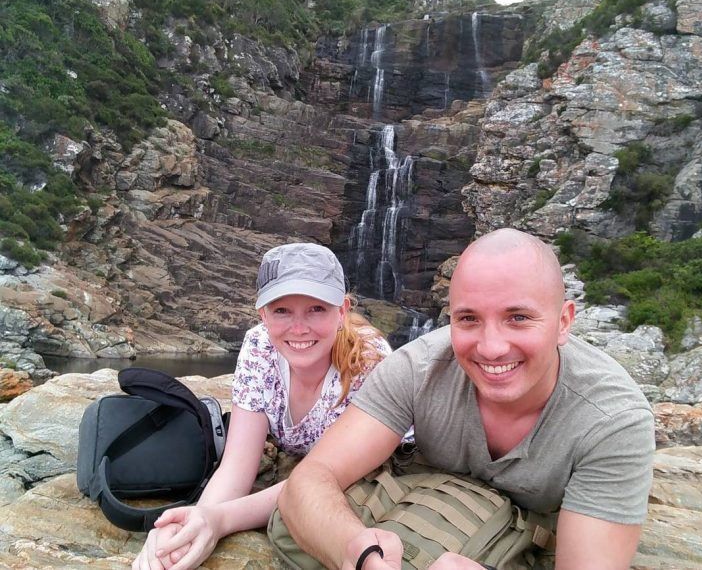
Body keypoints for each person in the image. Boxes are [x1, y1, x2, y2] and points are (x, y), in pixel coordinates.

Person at [278, 228, 656, 570]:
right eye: (469, 319)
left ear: (563, 323)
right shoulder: (417, 368)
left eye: (519, 317)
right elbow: (311, 478)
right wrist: (357, 553)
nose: (491, 348)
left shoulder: (614, 420)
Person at [132, 243, 391, 570]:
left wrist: (219, 520)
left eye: (316, 309)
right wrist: (195, 521)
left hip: (363, 473)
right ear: (262, 314)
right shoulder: (259, 346)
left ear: (342, 311)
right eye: (282, 310)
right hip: (309, 475)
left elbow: (323, 479)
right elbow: (238, 465)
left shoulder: (368, 359)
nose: (299, 328)